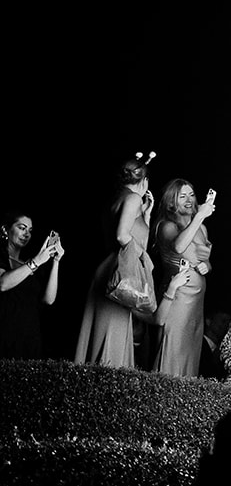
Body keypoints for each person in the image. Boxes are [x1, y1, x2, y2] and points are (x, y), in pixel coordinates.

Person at [74, 155, 157, 368]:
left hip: (109, 267)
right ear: (144, 180)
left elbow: (130, 236)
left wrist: (146, 218)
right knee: (113, 338)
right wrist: (144, 257)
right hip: (119, 272)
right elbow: (122, 236)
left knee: (104, 333)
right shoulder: (133, 198)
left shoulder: (116, 198)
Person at [150, 178, 215, 378]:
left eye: (192, 195)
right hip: (177, 297)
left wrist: (207, 266)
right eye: (182, 196)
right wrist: (199, 217)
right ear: (172, 202)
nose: (189, 199)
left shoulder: (202, 229)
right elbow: (179, 247)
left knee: (190, 354)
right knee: (172, 350)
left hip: (196, 301)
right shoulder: (166, 226)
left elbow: (203, 259)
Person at [0, 211, 63, 358]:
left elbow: (48, 299)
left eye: (30, 231)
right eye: (22, 228)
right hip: (4, 336)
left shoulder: (28, 263)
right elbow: (2, 283)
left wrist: (56, 261)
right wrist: (37, 262)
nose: (26, 234)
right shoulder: (5, 257)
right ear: (6, 229)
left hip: (29, 338)